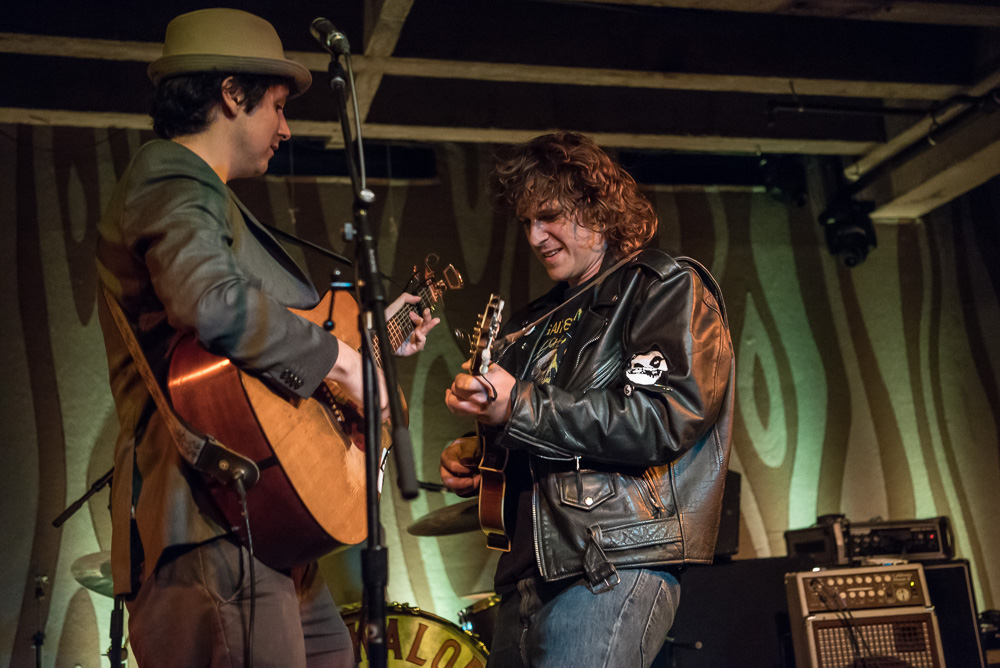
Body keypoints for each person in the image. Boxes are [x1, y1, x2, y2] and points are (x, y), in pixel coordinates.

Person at [96, 9, 437, 667]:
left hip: (257, 531)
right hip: (205, 523)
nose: (286, 127)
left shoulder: (212, 198)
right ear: (231, 94)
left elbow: (256, 355)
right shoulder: (170, 173)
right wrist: (342, 365)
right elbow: (212, 304)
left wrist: (366, 343)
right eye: (277, 106)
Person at [440, 132, 735, 667]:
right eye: (527, 221)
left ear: (598, 208)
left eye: (549, 216)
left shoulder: (664, 286)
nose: (535, 235)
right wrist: (478, 453)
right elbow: (545, 425)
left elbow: (662, 419)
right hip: (525, 578)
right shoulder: (536, 320)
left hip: (612, 565)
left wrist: (519, 406)